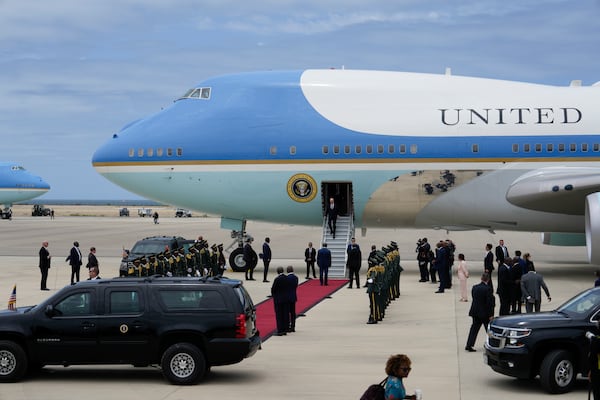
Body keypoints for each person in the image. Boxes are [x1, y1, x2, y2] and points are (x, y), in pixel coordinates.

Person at [465, 273, 495, 352]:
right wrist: (491, 314)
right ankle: (492, 344)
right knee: (489, 330)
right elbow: (489, 303)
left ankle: (469, 345)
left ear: (481, 278)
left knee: (474, 329)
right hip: (485, 314)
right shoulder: (488, 289)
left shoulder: (475, 287)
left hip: (475, 312)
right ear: (488, 280)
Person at [271, 266, 290, 336]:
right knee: (285, 314)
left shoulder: (277, 279)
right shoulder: (287, 278)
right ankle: (285, 329)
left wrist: (274, 296)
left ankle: (280, 330)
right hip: (286, 299)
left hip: (278, 300)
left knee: (279, 315)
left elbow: (273, 289)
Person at [286, 265, 298, 332]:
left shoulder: (286, 278)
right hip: (293, 297)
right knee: (293, 313)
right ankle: (293, 326)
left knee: (287, 312)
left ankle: (288, 325)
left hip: (287, 297)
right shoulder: (296, 278)